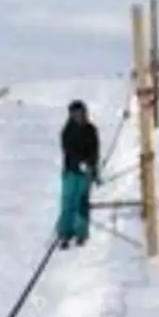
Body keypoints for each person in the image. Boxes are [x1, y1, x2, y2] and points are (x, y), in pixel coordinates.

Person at [57, 99, 100, 248]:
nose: (78, 116)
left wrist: (92, 168)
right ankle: (65, 232)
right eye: (75, 114)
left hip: (85, 174)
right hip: (71, 171)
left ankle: (81, 232)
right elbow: (68, 150)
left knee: (81, 202)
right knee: (68, 202)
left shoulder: (91, 130)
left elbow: (95, 151)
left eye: (81, 113)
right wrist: (79, 163)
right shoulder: (67, 131)